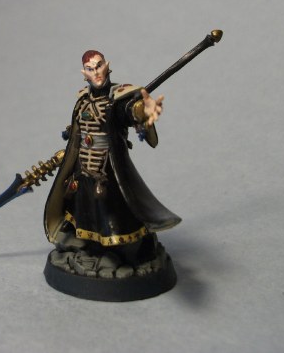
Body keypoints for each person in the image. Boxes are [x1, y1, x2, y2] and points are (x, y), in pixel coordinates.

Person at [43, 50, 181, 273]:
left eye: (99, 66)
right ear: (84, 73)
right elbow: (76, 132)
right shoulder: (82, 101)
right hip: (83, 165)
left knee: (115, 210)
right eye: (90, 69)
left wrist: (142, 111)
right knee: (84, 207)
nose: (96, 72)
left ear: (107, 66)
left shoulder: (117, 98)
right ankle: (92, 247)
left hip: (108, 166)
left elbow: (128, 111)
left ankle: (130, 251)